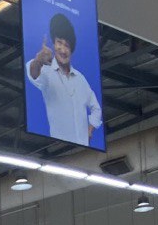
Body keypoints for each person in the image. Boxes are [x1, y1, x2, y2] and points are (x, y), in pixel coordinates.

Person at [26, 11, 103, 147]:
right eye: (59, 43)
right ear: (53, 44)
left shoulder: (80, 79)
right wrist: (38, 60)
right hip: (59, 148)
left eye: (67, 45)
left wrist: (90, 130)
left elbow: (96, 108)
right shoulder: (47, 72)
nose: (63, 49)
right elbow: (33, 74)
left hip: (84, 148)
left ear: (71, 49)